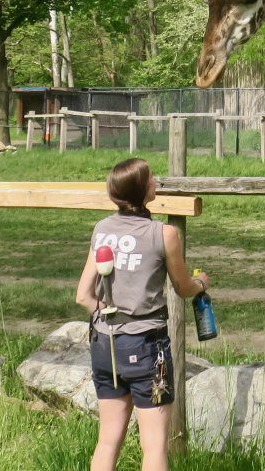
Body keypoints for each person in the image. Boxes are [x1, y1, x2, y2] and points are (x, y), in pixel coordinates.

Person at [75, 157, 210, 471]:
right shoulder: (163, 235)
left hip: (104, 345)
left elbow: (83, 295)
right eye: (151, 178)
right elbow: (182, 286)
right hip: (150, 351)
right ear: (140, 190)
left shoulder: (102, 230)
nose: (155, 181)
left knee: (107, 440)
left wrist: (112, 315)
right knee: (154, 447)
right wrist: (200, 283)